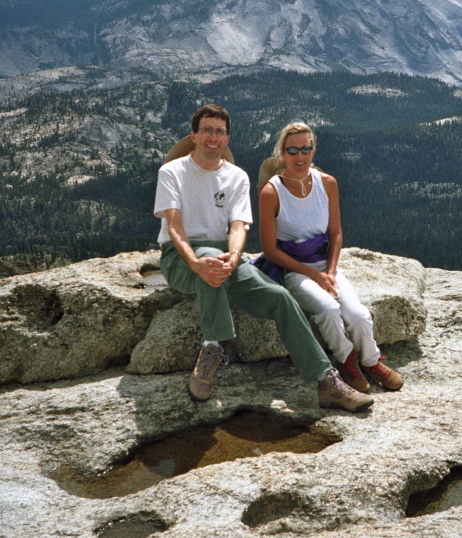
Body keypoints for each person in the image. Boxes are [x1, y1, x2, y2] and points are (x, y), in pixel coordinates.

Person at [153, 105, 373, 412]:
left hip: (225, 257)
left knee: (280, 297)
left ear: (227, 138)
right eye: (206, 130)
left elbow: (238, 226)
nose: (213, 137)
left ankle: (327, 381)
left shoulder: (236, 177)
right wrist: (196, 262)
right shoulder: (172, 171)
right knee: (211, 261)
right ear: (194, 136)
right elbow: (174, 227)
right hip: (181, 257)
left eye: (219, 131)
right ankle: (212, 347)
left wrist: (234, 256)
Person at [257, 122, 403, 394]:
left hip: (327, 265)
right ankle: (346, 360)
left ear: (313, 150)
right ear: (282, 154)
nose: (300, 156)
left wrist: (331, 271)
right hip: (294, 269)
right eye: (292, 150)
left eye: (306, 149)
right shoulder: (271, 192)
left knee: (358, 315)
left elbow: (335, 233)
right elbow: (270, 250)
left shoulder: (327, 183)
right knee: (327, 308)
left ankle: (371, 362)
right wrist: (315, 275)